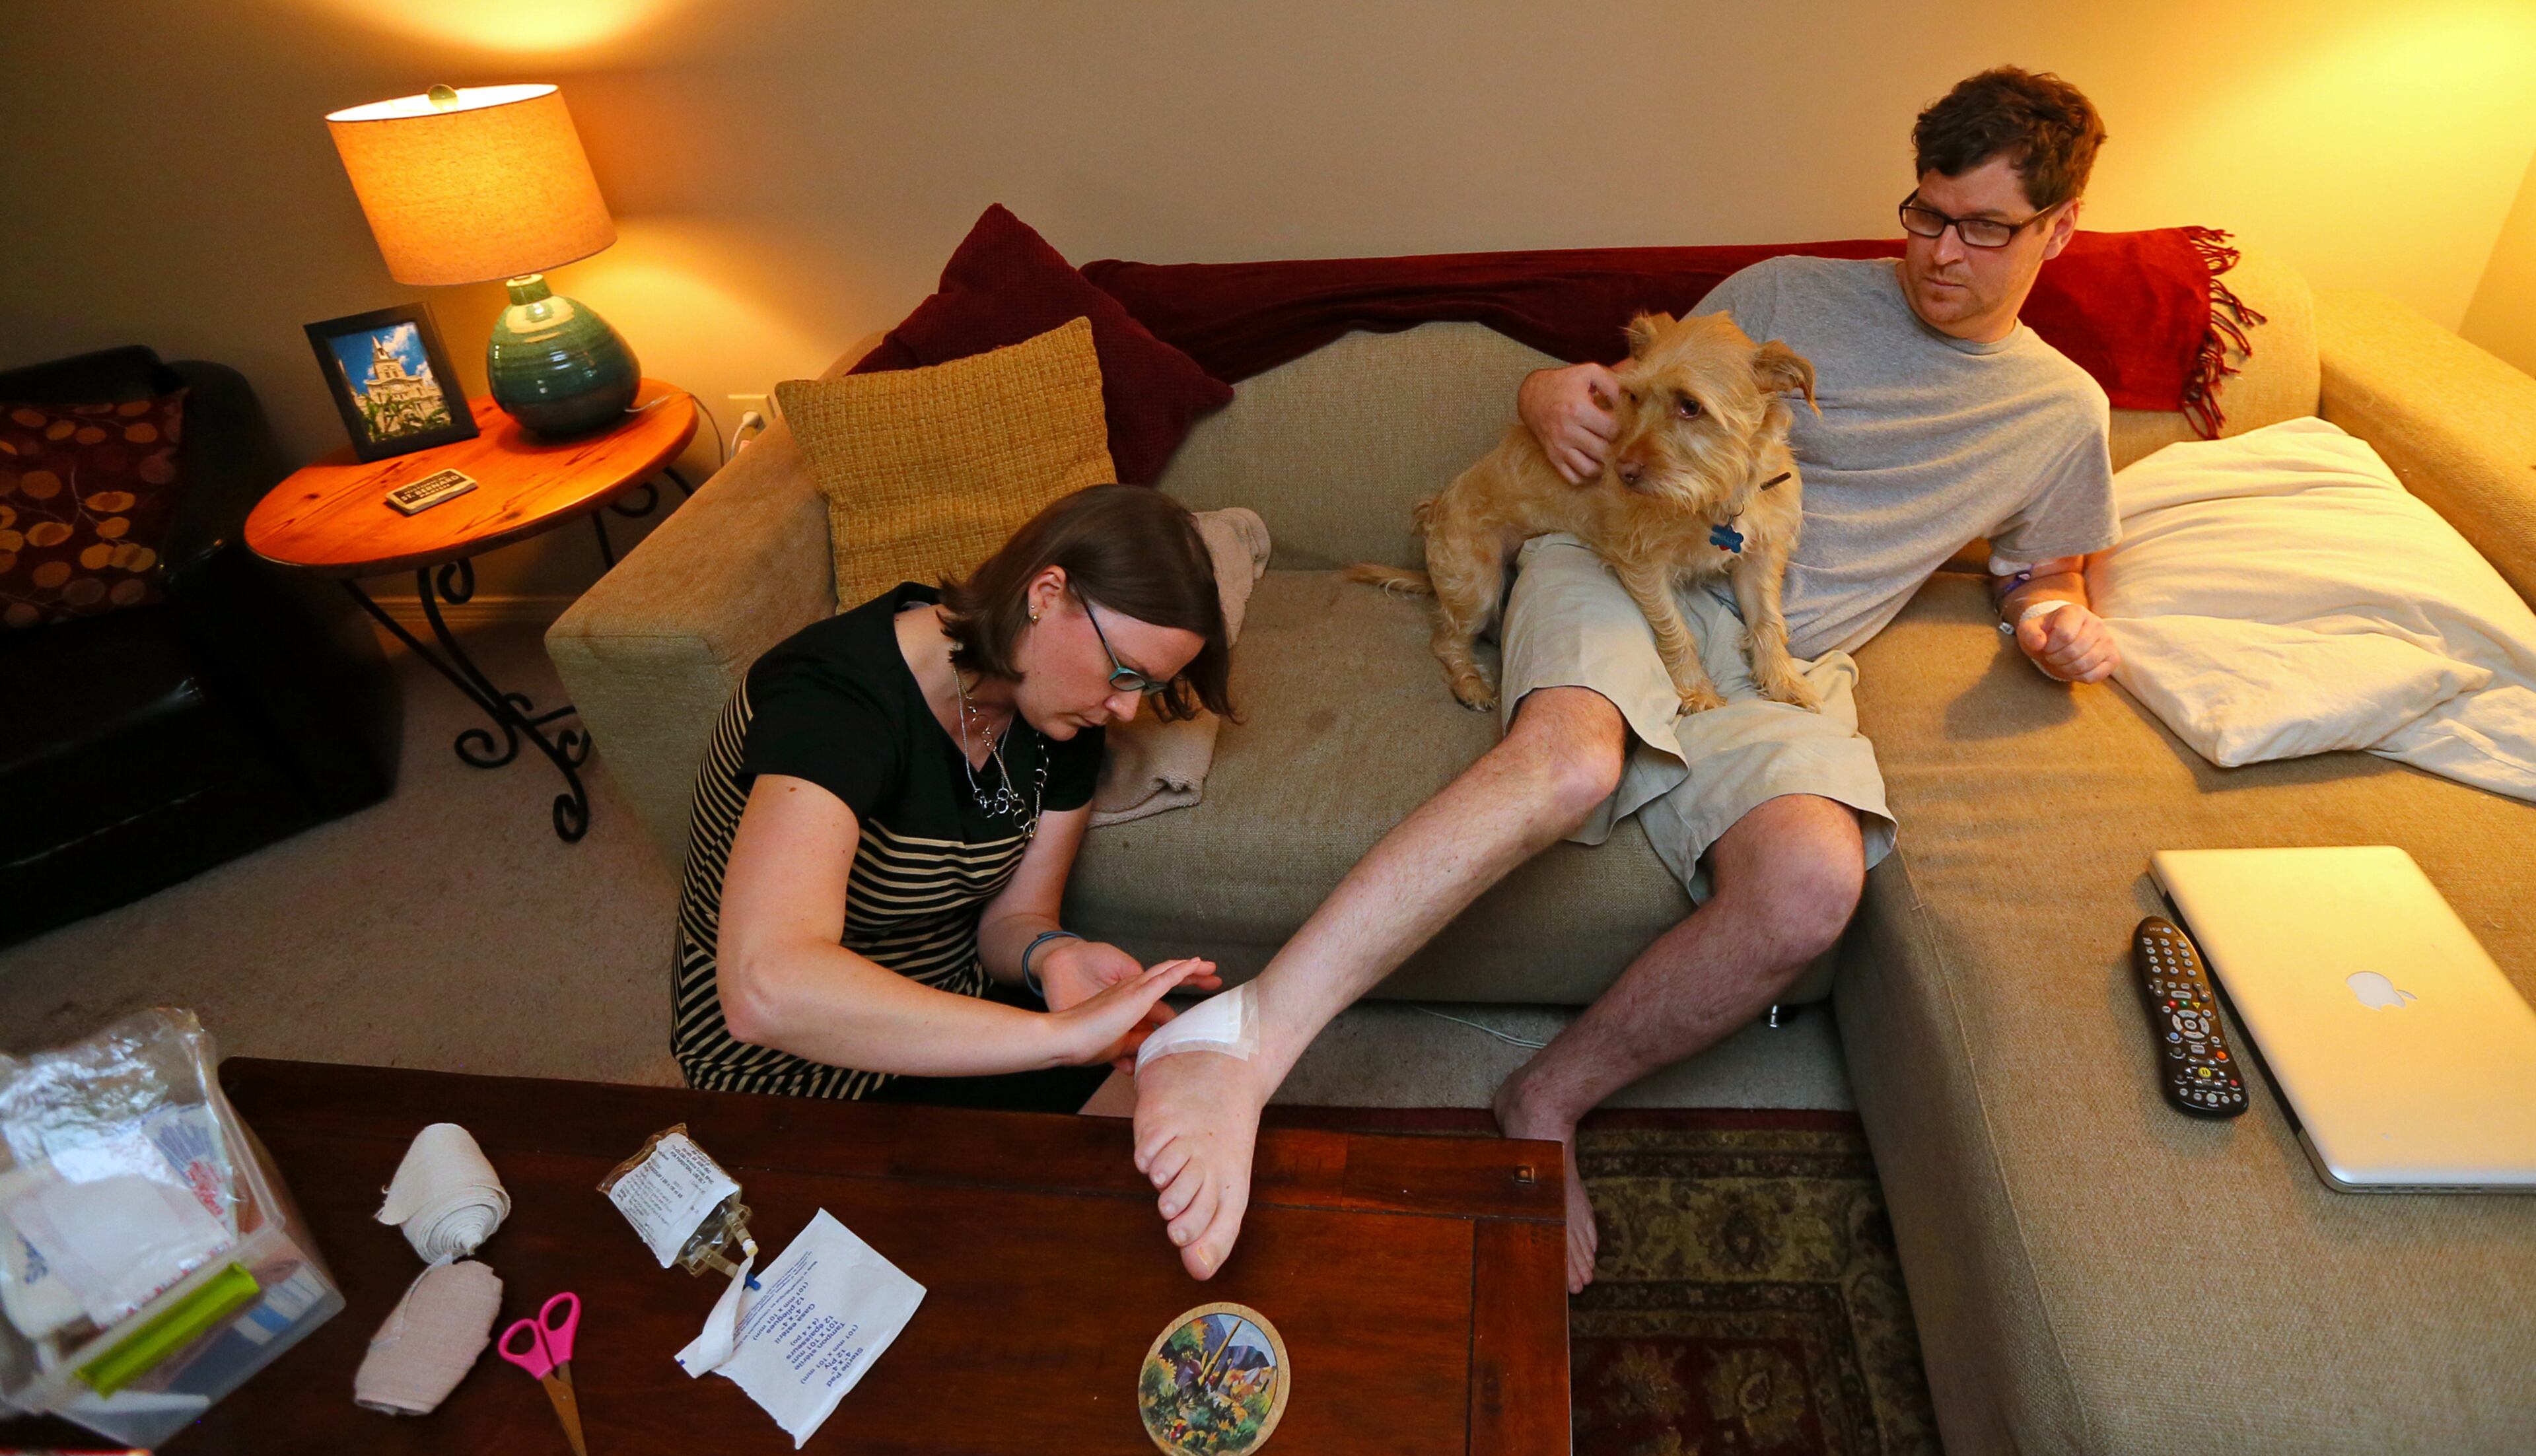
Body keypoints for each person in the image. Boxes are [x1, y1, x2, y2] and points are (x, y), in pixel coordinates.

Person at [1131, 66, 2126, 1289]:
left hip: (1784, 652)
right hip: (1620, 562)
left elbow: (2047, 573)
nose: (1938, 254)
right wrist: (1544, 391)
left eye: (1983, 228)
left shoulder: (2060, 412)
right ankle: (1246, 1039)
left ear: (2061, 229)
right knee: (1570, 758)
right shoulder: (1780, 296)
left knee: (1816, 888)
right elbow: (1617, 414)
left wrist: (2059, 621)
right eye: (1924, 213)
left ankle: (1546, 1095)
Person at [674, 483, 1234, 1114]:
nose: (1127, 707)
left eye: (1149, 685)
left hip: (955, 1008)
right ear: (1045, 595)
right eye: (1124, 671)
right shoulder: (834, 701)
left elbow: (1012, 922)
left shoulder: (1060, 708)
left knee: (1184, 1113)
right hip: (791, 1059)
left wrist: (1055, 955)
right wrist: (1058, 1038)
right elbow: (765, 991)